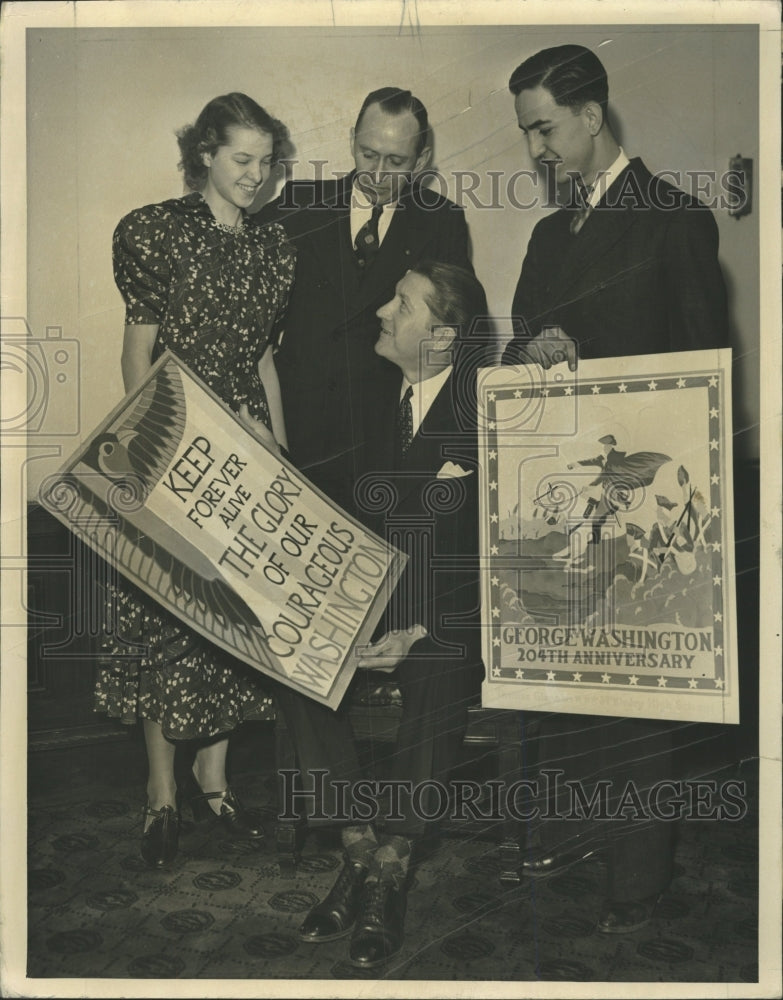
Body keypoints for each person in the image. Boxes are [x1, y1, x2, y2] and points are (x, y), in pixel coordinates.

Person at [500, 45, 729, 933]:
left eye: (545, 128)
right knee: (569, 668)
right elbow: (518, 348)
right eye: (526, 133)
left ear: (591, 119)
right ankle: (575, 827)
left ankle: (638, 877)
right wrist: (534, 352)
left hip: (648, 500)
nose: (535, 151)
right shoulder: (546, 234)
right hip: (561, 500)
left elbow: (707, 368)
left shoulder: (674, 220)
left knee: (639, 687)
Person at [94, 93, 296, 869]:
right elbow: (135, 353)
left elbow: (264, 359)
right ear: (204, 154)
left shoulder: (275, 249)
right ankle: (161, 796)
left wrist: (279, 448)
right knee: (166, 617)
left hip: (244, 450)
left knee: (231, 619)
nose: (255, 175)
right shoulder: (153, 232)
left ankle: (216, 781)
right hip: (173, 444)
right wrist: (145, 456)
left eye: (265, 161)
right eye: (240, 159)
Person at [272, 261, 487, 969]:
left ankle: (388, 862)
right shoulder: (368, 398)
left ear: (444, 334)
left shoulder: (487, 408)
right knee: (294, 654)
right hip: (373, 602)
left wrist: (414, 629)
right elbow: (344, 518)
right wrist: (344, 616)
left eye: (401, 304)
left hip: (455, 612)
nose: (381, 313)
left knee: (438, 666)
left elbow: (494, 557)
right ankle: (360, 849)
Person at [256, 87, 473, 513]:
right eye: (367, 153)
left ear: (422, 160)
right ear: (352, 138)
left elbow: (452, 341)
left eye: (396, 162)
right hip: (293, 434)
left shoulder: (441, 221)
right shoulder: (300, 204)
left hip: (382, 445)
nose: (376, 173)